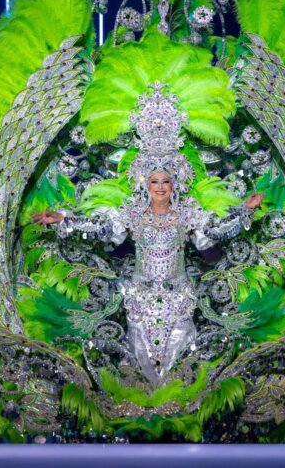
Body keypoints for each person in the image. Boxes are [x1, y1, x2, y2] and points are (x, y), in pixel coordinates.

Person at [31, 83, 263, 385]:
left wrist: (244, 211)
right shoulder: (132, 215)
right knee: (142, 364)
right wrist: (64, 219)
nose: (161, 187)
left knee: (179, 366)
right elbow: (100, 228)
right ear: (145, 185)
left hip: (179, 300)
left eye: (166, 181)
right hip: (139, 301)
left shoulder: (187, 214)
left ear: (175, 184)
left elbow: (216, 231)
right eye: (154, 182)